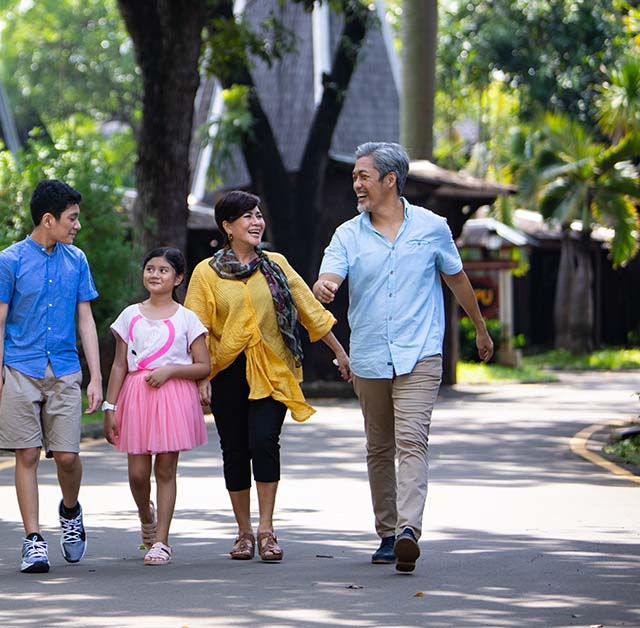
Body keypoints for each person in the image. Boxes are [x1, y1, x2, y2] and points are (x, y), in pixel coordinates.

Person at [313, 141, 493, 573]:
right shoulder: (348, 234)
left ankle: (409, 529)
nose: (356, 184)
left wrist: (480, 328)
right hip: (370, 353)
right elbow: (330, 273)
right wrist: (325, 286)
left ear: (390, 180)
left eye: (363, 176)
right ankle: (388, 533)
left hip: (421, 352)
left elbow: (457, 279)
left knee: (412, 441)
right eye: (354, 177)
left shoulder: (432, 227)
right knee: (379, 447)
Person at [185, 190, 351, 563]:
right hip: (226, 371)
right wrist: (201, 376)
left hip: (273, 369)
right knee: (234, 450)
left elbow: (310, 310)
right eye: (247, 216)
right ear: (228, 226)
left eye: (259, 215)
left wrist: (341, 353)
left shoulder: (275, 265)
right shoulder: (206, 273)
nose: (257, 222)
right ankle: (243, 532)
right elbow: (195, 328)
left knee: (264, 442)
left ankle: (266, 529)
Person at [0, 178, 102, 574]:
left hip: (65, 369)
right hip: (20, 368)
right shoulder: (10, 260)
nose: (77, 226)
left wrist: (96, 378)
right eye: (72, 218)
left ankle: (70, 511)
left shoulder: (77, 260)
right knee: (27, 453)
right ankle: (33, 539)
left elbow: (85, 320)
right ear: (48, 219)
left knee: (67, 456)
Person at [103, 247, 210, 566]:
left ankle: (162, 540)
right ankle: (145, 514)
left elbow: (203, 365)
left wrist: (170, 371)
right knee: (138, 474)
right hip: (136, 396)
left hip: (173, 396)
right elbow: (119, 364)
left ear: (178, 278)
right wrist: (110, 406)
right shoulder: (129, 315)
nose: (155, 275)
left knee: (165, 469)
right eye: (150, 268)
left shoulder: (188, 318)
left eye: (163, 270)